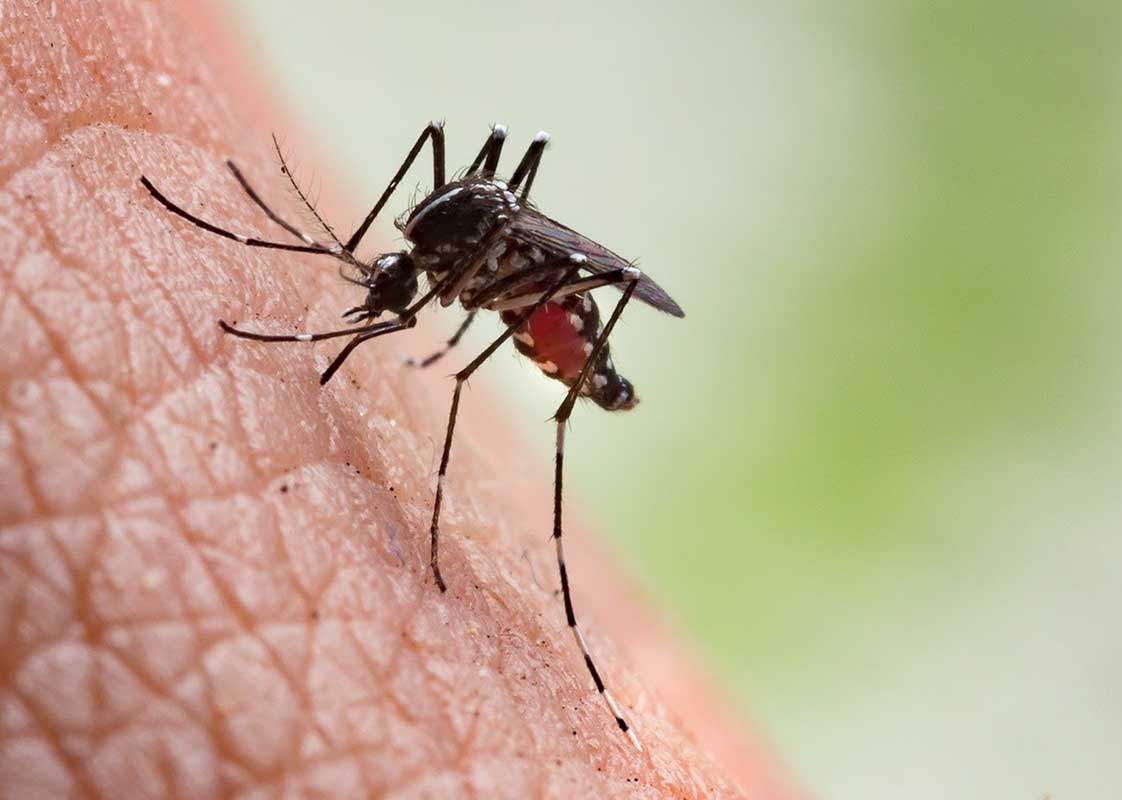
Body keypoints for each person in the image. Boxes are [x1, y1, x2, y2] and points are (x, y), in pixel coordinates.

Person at [0, 2, 801, 797]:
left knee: (525, 285)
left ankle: (550, 432)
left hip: (560, 304)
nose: (384, 298)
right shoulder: (427, 238)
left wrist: (465, 361)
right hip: (503, 266)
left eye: (386, 285)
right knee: (464, 166)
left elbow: (598, 272)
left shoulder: (449, 247)